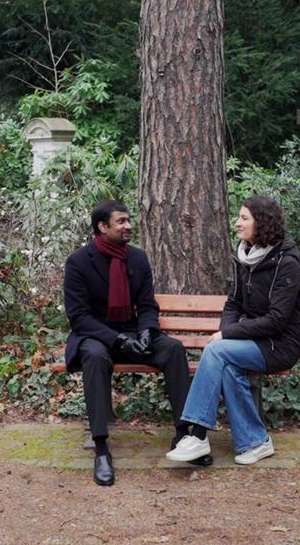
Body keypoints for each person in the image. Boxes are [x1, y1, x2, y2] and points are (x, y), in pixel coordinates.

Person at [165, 195, 300, 466]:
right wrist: (229, 329)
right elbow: (233, 302)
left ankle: (198, 435)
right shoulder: (246, 256)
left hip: (279, 346)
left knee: (217, 352)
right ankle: (256, 441)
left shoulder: (287, 265)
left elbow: (277, 320)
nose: (237, 223)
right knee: (227, 367)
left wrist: (228, 335)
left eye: (244, 218)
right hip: (251, 342)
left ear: (261, 223)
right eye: (239, 217)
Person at [63, 199, 191, 486]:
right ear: (102, 226)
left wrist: (146, 331)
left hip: (132, 331)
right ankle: (101, 448)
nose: (128, 226)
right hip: (96, 335)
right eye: (121, 221)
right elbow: (79, 317)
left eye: (128, 220)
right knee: (95, 357)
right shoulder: (79, 262)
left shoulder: (137, 258)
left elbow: (147, 305)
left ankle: (184, 435)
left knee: (173, 349)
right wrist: (118, 340)